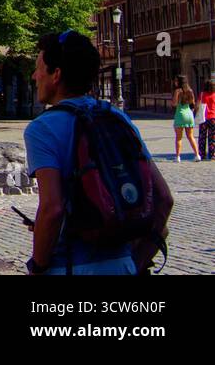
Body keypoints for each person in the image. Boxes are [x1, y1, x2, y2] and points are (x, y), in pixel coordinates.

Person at [25, 30, 173, 275]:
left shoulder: (42, 128)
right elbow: (164, 199)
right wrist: (136, 262)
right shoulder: (117, 117)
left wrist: (38, 267)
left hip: (71, 266)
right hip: (123, 265)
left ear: (56, 75)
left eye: (39, 67)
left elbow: (52, 209)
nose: (34, 76)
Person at [172, 75, 200, 161]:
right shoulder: (190, 91)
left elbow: (174, 104)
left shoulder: (177, 91)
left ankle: (177, 157)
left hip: (180, 114)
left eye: (176, 81)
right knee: (191, 136)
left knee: (179, 138)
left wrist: (175, 97)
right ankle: (197, 155)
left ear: (179, 82)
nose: (175, 82)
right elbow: (193, 103)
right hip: (189, 114)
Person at [199, 78, 215, 161]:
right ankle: (212, 154)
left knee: (202, 137)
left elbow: (198, 104)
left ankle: (202, 154)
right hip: (213, 117)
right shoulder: (214, 94)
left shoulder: (202, 94)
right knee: (212, 137)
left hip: (203, 117)